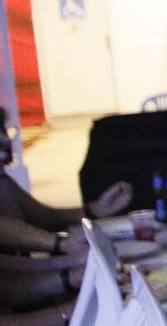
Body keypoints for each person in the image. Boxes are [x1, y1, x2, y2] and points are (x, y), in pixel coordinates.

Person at [0, 106, 131, 255]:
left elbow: (41, 218)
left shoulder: (3, 183)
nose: (5, 139)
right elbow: (11, 270)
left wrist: (94, 210)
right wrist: (61, 252)